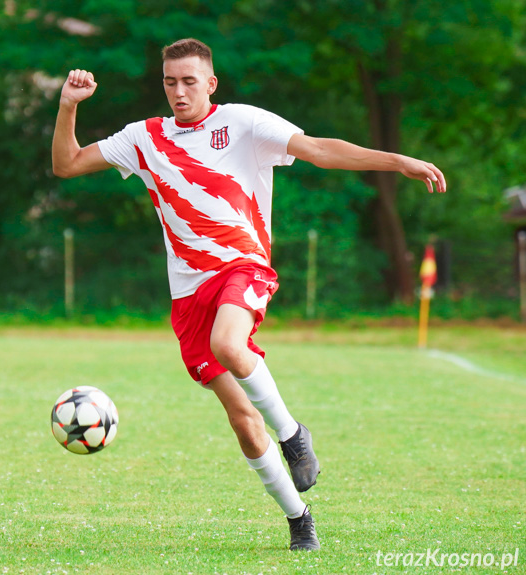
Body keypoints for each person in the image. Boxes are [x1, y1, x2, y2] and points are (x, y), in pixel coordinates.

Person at [51, 38, 446, 551]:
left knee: (230, 346)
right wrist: (67, 107)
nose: (179, 91)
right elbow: (67, 165)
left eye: (189, 81)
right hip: (188, 298)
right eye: (170, 82)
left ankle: (293, 435)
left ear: (211, 83)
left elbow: (320, 149)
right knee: (242, 421)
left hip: (243, 267)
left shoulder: (243, 122)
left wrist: (397, 161)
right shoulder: (144, 138)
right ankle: (299, 517)